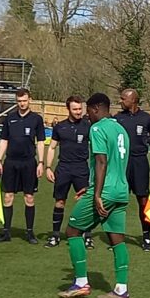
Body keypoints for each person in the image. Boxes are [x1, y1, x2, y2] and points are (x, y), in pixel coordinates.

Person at [58, 93, 134, 298]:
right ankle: (121, 289)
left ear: (96, 108)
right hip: (120, 190)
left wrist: (97, 193)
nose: (87, 116)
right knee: (116, 238)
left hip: (105, 191)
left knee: (73, 230)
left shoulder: (97, 128)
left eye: (89, 111)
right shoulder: (121, 129)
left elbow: (101, 162)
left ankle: (81, 283)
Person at [0, 88, 45, 244]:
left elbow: (41, 142)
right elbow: (4, 140)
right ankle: (6, 231)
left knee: (29, 197)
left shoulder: (36, 119)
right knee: (8, 196)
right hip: (11, 162)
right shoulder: (9, 118)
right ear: (16, 101)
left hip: (29, 162)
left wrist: (41, 162)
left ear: (30, 99)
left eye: (24, 100)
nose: (22, 104)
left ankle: (30, 233)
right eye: (19, 101)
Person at [114, 88, 150, 251]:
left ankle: (146, 237)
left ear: (133, 100)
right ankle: (117, 237)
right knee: (118, 201)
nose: (120, 101)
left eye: (123, 99)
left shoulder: (147, 118)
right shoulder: (117, 119)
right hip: (122, 163)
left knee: (143, 201)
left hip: (140, 163)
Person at [44, 96, 93, 249]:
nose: (78, 112)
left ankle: (87, 236)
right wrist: (48, 167)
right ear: (68, 109)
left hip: (81, 168)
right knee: (59, 201)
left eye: (80, 109)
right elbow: (51, 147)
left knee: (84, 202)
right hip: (63, 168)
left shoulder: (88, 126)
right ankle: (55, 235)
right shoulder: (60, 127)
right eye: (75, 109)